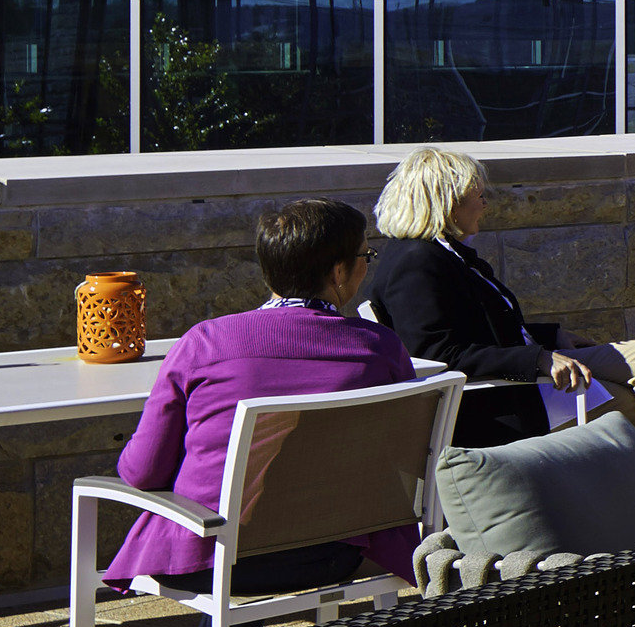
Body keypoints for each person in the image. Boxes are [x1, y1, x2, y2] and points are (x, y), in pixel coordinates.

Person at [361, 144, 635, 475]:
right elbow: (438, 354)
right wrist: (540, 359)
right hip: (505, 399)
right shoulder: (416, 263)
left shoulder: (446, 254)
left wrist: (553, 337)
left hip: (533, 370)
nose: (485, 202)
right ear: (447, 203)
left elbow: (486, 326)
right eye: (477, 194)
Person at [104, 197, 419, 600]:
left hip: (209, 559)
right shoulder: (380, 348)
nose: (366, 265)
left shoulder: (205, 343)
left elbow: (142, 472)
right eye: (365, 255)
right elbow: (405, 458)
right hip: (335, 552)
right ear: (339, 271)